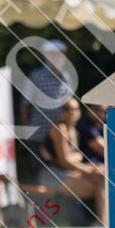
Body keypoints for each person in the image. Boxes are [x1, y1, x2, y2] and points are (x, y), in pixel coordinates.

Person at [39, 98, 105, 223]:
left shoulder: (74, 131)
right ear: (61, 112)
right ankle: (102, 223)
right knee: (102, 185)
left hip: (67, 173)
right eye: (68, 109)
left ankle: (103, 222)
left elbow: (73, 159)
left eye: (75, 109)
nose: (72, 112)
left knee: (103, 178)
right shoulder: (60, 128)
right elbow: (64, 161)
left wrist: (90, 167)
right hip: (53, 175)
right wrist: (89, 169)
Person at [20, 40, 74, 178]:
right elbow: (25, 103)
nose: (57, 57)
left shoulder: (67, 77)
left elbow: (69, 104)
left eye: (60, 54)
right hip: (40, 132)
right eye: (53, 54)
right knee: (42, 172)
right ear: (46, 56)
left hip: (60, 133)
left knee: (63, 168)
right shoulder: (36, 76)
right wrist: (26, 126)